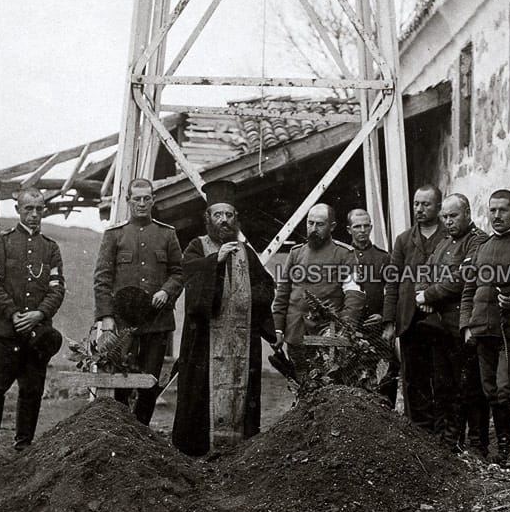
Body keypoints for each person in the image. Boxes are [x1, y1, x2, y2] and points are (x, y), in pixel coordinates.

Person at [172, 180, 276, 455]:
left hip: (241, 339)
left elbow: (266, 286)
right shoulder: (197, 246)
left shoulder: (245, 252)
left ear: (235, 219)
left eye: (229, 215)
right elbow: (190, 277)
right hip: (204, 340)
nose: (224, 221)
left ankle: (239, 449)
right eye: (218, 215)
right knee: (199, 397)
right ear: (208, 218)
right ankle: (196, 449)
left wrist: (253, 303)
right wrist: (215, 263)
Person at [0, 188, 66, 471]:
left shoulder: (50, 248)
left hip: (36, 335)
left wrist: (39, 314)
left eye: (39, 209)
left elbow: (57, 288)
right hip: (2, 333)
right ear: (18, 209)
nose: (34, 214)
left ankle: (24, 448)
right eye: (29, 209)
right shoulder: (0, 242)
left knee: (32, 391)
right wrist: (13, 314)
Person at [461, 190, 510, 468]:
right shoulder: (482, 247)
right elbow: (470, 289)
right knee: (490, 391)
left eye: (503, 210)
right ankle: (505, 444)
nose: (497, 215)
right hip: (484, 330)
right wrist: (467, 324)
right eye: (492, 210)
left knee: (508, 388)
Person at [93, 178, 184, 424]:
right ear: (128, 201)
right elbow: (102, 279)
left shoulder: (167, 234)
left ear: (153, 200)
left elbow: (179, 271)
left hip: (157, 322)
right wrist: (107, 318)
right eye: (137, 199)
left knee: (150, 381)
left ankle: (141, 429)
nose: (142, 203)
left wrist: (167, 291)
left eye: (147, 198)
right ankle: (123, 429)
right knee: (120, 378)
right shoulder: (115, 236)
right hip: (123, 324)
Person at [415, 194, 488, 452]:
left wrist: (430, 294)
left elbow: (462, 277)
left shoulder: (477, 241)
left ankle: (478, 445)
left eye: (453, 216)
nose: (448, 221)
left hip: (462, 325)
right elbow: (425, 270)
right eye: (444, 217)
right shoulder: (443, 243)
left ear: (467, 213)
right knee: (444, 385)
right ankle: (450, 442)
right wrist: (421, 293)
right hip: (440, 329)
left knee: (469, 387)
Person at [271, 203, 365, 379]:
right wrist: (277, 329)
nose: (313, 229)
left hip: (327, 333)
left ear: (332, 227)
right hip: (296, 332)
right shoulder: (296, 253)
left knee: (327, 384)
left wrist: (344, 327)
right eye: (310, 223)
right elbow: (282, 293)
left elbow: (354, 294)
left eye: (320, 224)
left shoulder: (344, 254)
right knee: (300, 384)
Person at [382, 185, 444, 428]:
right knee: (413, 378)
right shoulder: (404, 240)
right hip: (410, 319)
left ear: (438, 207)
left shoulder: (448, 237)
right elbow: (392, 282)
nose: (419, 209)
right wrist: (389, 322)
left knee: (441, 377)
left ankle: (442, 431)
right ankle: (418, 428)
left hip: (440, 319)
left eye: (426, 204)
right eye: (416, 203)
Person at [347, 208, 398, 405]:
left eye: (366, 226)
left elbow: (392, 290)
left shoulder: (383, 257)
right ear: (349, 229)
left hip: (376, 328)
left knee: (386, 375)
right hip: (351, 327)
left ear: (371, 227)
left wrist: (384, 317)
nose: (362, 230)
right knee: (353, 376)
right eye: (357, 226)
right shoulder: (343, 256)